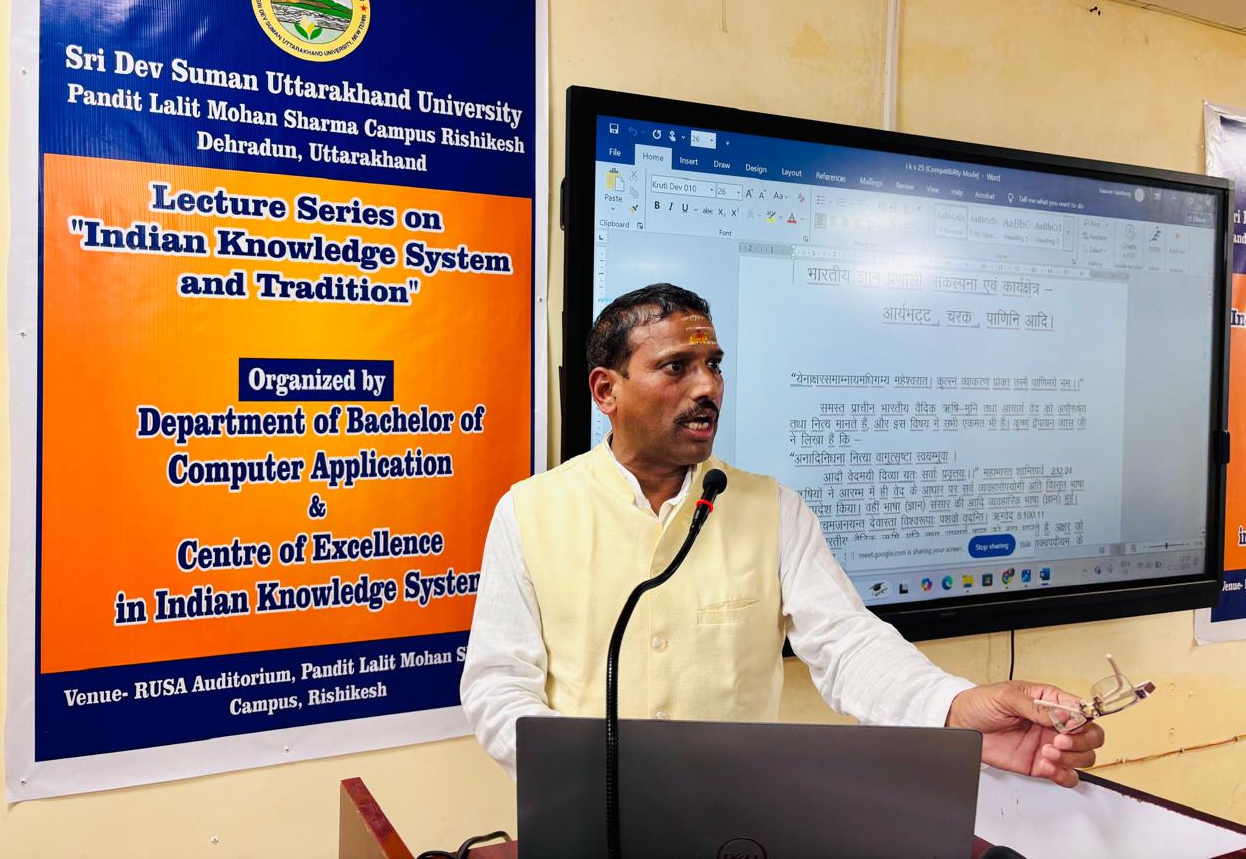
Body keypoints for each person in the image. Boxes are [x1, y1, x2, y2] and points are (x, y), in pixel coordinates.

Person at [460, 283, 1104, 786]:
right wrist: (588, 774)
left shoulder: (774, 509)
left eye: (713, 365)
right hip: (586, 815)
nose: (707, 387)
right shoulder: (530, 512)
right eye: (676, 367)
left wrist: (955, 710)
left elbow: (848, 645)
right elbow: (497, 685)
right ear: (607, 391)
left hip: (736, 820)